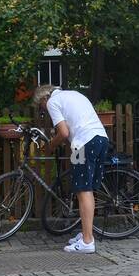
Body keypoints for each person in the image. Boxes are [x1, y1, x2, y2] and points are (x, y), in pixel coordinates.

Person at [34, 83, 109, 254]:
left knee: (83, 190)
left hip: (82, 143)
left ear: (44, 98)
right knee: (85, 189)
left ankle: (87, 241)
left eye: (41, 107)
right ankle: (85, 233)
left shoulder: (53, 102)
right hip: (100, 138)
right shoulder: (73, 94)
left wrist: (50, 146)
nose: (44, 111)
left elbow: (64, 133)